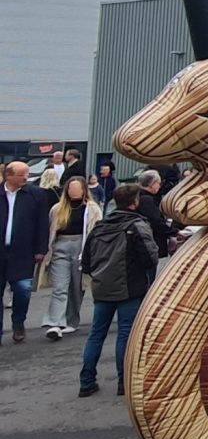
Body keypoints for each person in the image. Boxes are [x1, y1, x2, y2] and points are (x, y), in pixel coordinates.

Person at [79, 184, 156, 397]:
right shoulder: (137, 225)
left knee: (96, 334)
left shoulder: (100, 227)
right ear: (135, 202)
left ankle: (86, 381)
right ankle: (124, 381)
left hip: (103, 286)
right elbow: (149, 257)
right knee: (125, 334)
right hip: (129, 285)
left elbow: (86, 260)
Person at [39, 176, 102, 340]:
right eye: (70, 188)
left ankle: (71, 320)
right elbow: (51, 230)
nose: (73, 191)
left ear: (83, 190)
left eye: (77, 188)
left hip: (81, 247)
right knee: (59, 287)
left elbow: (96, 231)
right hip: (60, 247)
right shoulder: (57, 209)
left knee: (76, 287)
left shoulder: (92, 209)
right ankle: (55, 323)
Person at [1, 161, 50, 344]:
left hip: (23, 251)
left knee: (22, 290)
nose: (25, 177)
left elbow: (42, 224)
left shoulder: (35, 195)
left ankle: (18, 322)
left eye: (27, 174)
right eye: (21, 174)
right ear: (9, 175)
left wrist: (41, 249)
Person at [135, 169, 177, 269]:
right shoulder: (146, 199)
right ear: (152, 184)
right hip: (151, 241)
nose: (160, 186)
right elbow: (155, 221)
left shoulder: (137, 196)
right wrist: (173, 232)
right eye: (158, 183)